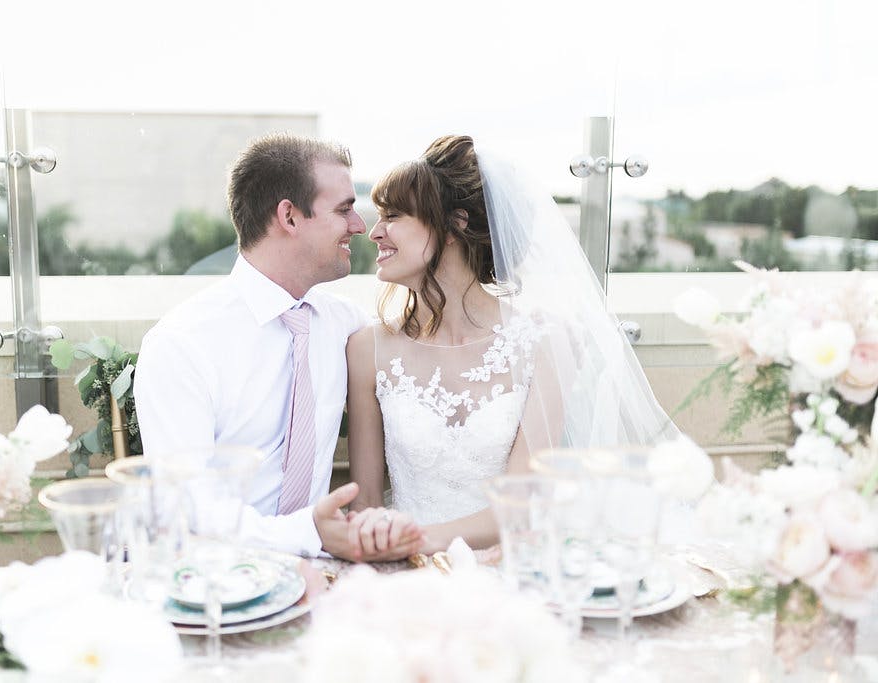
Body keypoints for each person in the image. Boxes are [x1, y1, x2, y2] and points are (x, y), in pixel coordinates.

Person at [345, 135, 678, 555]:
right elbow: (366, 503)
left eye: (392, 215)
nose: (374, 232)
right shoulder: (367, 348)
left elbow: (519, 508)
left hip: (504, 565)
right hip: (400, 570)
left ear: (455, 225)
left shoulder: (544, 343)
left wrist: (413, 541)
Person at [134, 133, 421, 561]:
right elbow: (183, 510)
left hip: (324, 577)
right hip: (219, 582)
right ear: (288, 216)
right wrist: (309, 534)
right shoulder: (181, 344)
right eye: (344, 209)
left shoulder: (347, 326)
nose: (360, 226)